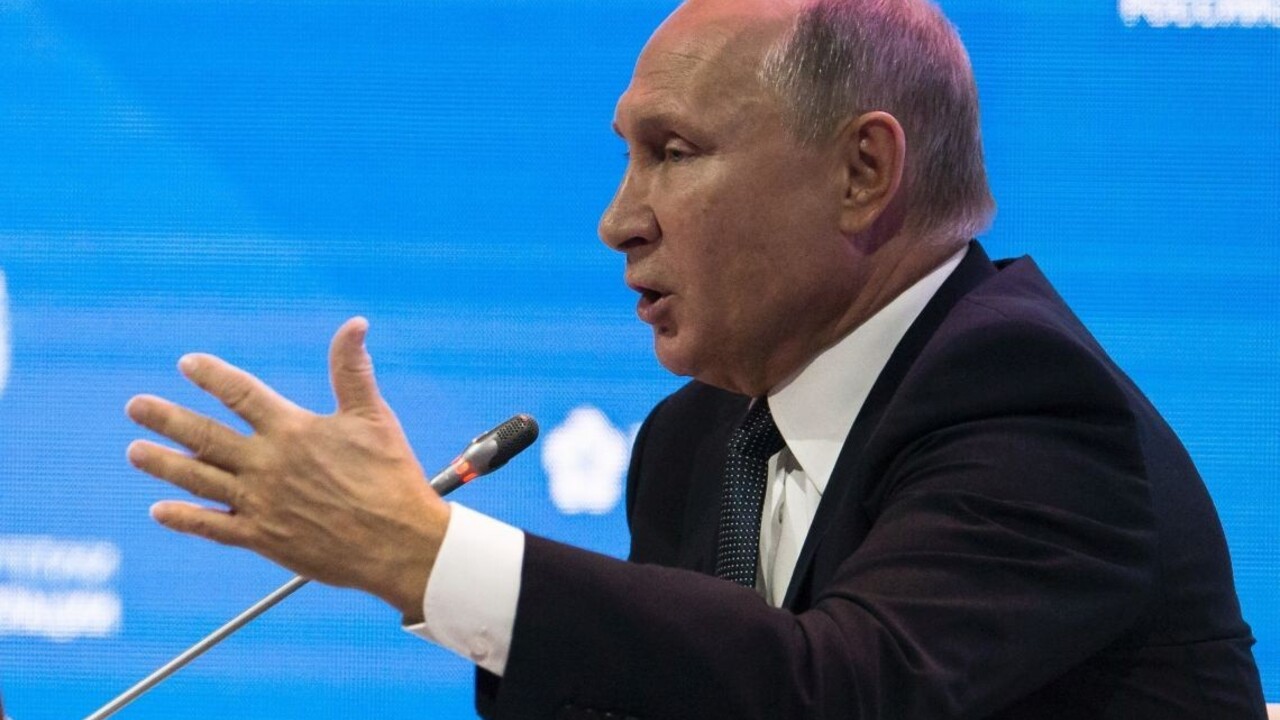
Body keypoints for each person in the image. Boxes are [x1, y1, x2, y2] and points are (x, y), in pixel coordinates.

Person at [125, 0, 1267, 717]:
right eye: (627, 158)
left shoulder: (1022, 399)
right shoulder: (699, 436)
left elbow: (845, 693)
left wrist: (422, 552)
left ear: (863, 173)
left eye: (671, 153)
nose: (617, 220)